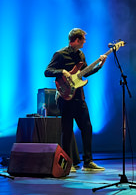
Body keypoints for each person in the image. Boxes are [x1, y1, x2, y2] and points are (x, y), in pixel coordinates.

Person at [44, 28, 106, 172]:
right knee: (67, 130)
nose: (85, 41)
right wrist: (62, 71)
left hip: (79, 97)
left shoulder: (81, 55)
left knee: (87, 128)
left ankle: (88, 162)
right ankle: (67, 163)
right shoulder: (60, 54)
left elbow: (86, 72)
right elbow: (47, 71)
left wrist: (100, 65)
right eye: (83, 39)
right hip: (65, 97)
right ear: (77, 40)